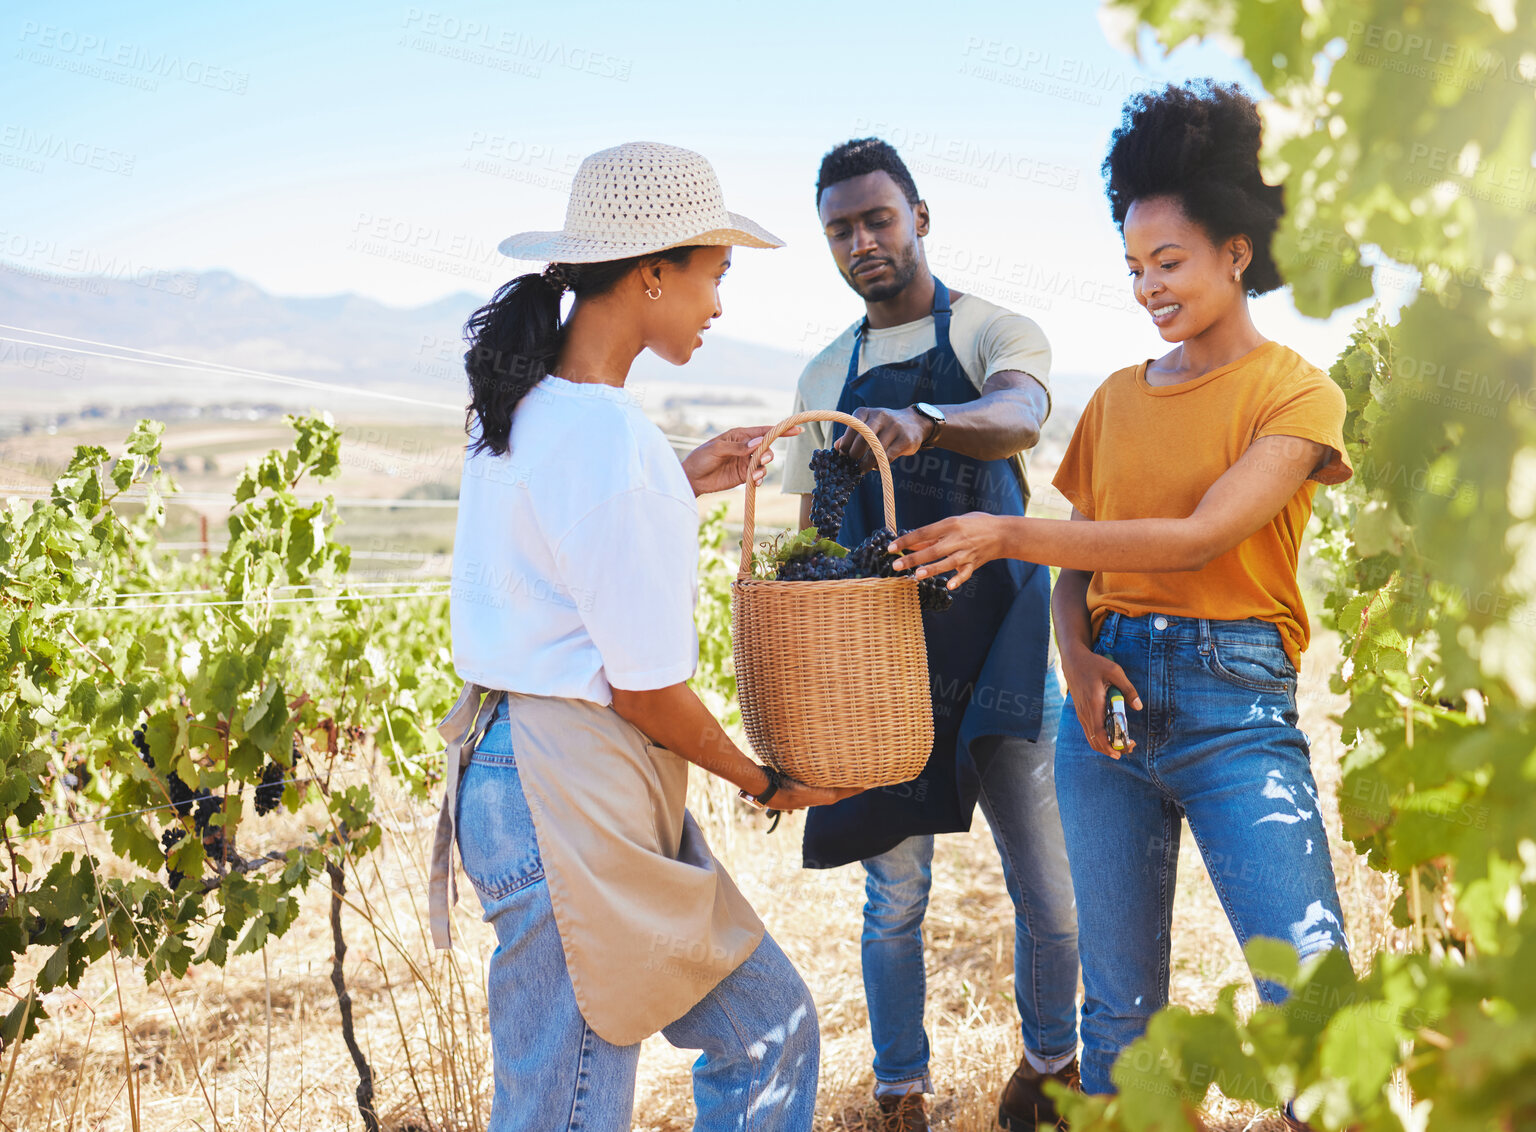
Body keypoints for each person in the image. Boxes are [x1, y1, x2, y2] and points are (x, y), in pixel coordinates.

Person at [888, 81, 1354, 1104]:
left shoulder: (1296, 392)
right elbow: (1081, 561)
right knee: (1118, 1022)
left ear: (1236, 251)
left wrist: (1006, 526)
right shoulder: (1113, 397)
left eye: (1169, 262)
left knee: (1313, 1015)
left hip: (1235, 707)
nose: (1147, 286)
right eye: (1134, 267)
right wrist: (1074, 651)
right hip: (1105, 718)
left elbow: (1195, 538)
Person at [428, 141, 855, 1131]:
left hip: (527, 772)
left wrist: (680, 478)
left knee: (762, 1030)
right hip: (566, 786)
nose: (717, 304)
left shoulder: (531, 404)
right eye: (715, 275)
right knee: (570, 1107)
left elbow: (568, 549)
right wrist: (766, 781)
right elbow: (646, 690)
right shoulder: (610, 440)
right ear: (653, 271)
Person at [778, 137, 1080, 1132]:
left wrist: (929, 421)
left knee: (1050, 891)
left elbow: (1019, 414)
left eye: (877, 219)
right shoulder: (826, 373)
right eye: (839, 230)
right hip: (884, 674)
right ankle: (900, 1089)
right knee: (893, 900)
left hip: (1001, 649)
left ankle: (1046, 1066)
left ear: (918, 217)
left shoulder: (996, 328)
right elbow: (814, 542)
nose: (861, 241)